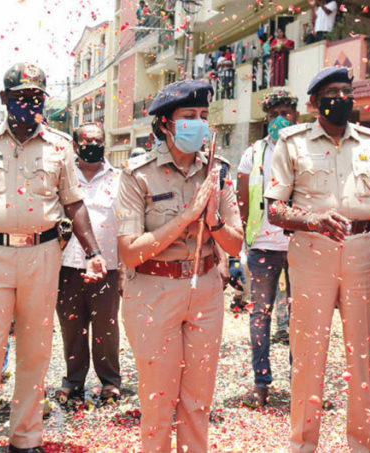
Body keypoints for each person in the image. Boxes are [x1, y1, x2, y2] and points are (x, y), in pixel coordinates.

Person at [265, 66, 370, 452]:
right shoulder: (291, 143)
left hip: (362, 250)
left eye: (347, 92)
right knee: (309, 352)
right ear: (314, 103)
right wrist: (312, 219)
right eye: (332, 93)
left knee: (363, 354)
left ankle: (364, 445)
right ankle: (302, 444)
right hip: (312, 250)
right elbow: (274, 210)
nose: (341, 99)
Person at [115, 79, 243, 453]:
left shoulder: (217, 171)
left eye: (204, 116)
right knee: (157, 400)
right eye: (189, 116)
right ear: (165, 124)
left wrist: (213, 220)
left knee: (198, 401)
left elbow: (235, 244)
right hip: (153, 293)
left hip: (204, 289)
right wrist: (187, 216)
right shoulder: (137, 174)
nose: (199, 124)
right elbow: (129, 253)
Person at [0, 63, 106, 453]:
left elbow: (74, 203)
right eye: (22, 96)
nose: (30, 103)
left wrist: (94, 253)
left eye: (37, 97)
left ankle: (25, 439)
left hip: (42, 255)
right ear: (4, 99)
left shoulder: (60, 146)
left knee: (35, 351)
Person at [236, 90, 298, 408]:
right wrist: (244, 234)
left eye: (286, 113)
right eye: (275, 114)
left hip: (299, 244)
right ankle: (262, 382)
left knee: (299, 316)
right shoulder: (254, 153)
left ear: (296, 115)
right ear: (266, 119)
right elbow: (242, 197)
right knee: (260, 314)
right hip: (262, 245)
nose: (281, 119)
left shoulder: (306, 149)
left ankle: (298, 381)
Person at [54, 123, 122, 406]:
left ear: (105, 144)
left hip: (107, 266)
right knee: (72, 328)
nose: (92, 145)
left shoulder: (119, 178)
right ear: (75, 145)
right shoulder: (62, 178)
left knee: (106, 327)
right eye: (86, 140)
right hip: (67, 266)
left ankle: (110, 381)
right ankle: (73, 381)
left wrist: (126, 270)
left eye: (97, 140)